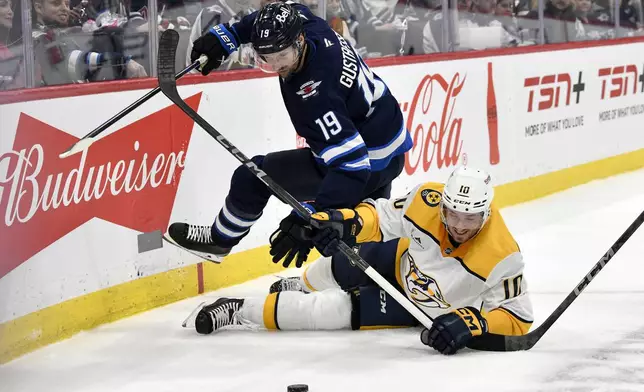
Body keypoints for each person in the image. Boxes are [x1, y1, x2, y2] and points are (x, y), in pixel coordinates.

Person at [167, 1, 412, 269]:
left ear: (299, 41)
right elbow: (274, 15)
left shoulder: (314, 94)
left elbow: (352, 165)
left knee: (252, 178)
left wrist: (312, 219)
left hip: (368, 164)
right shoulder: (310, 25)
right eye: (266, 58)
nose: (277, 65)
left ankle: (219, 239)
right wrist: (229, 37)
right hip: (390, 149)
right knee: (361, 243)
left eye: (282, 56)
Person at [190, 166, 534, 355]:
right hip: (400, 261)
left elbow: (517, 317)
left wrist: (472, 321)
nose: (459, 225)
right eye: (452, 213)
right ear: (443, 204)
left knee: (327, 313)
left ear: (486, 214)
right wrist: (347, 222)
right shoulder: (426, 200)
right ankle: (302, 283)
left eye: (470, 218)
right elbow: (382, 217)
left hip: (422, 309)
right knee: (341, 263)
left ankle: (236, 309)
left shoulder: (503, 256)